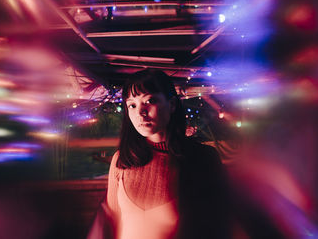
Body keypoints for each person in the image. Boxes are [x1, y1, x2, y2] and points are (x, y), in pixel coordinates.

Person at [88, 69, 230, 239]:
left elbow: (218, 224)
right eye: (132, 105)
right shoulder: (122, 160)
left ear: (172, 105)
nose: (140, 112)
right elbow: (111, 220)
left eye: (149, 101)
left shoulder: (202, 158)